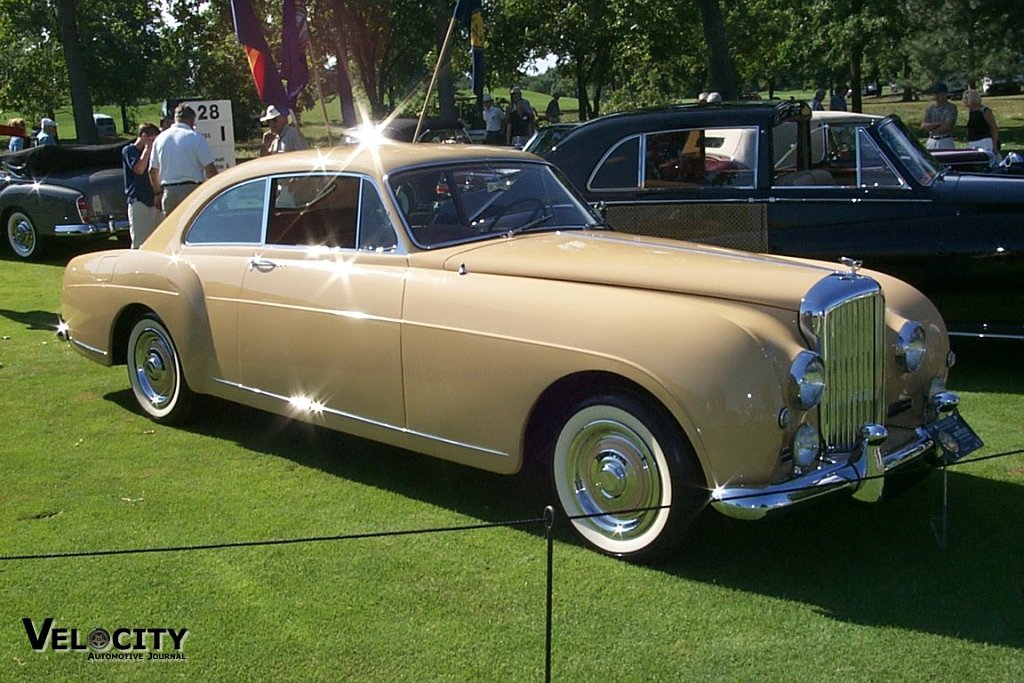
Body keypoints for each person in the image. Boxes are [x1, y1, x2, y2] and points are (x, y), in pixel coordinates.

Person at [149, 104, 218, 215]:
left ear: (175, 119)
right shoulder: (195, 137)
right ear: (191, 119)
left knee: (172, 229)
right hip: (192, 191)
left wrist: (157, 193)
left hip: (169, 191)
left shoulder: (160, 138)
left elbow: (152, 171)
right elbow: (210, 169)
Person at [122, 123, 162, 248]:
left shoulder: (155, 153)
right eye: (153, 139)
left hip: (155, 199)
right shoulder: (129, 151)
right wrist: (147, 149)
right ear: (144, 136)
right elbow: (139, 169)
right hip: (139, 200)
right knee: (140, 240)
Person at [962, 89, 999, 155]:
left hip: (984, 141)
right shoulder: (971, 112)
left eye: (966, 99)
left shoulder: (985, 111)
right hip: (973, 142)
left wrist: (994, 145)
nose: (964, 101)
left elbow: (994, 129)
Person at [921, 82, 957, 150]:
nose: (936, 96)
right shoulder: (930, 108)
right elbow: (923, 126)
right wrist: (939, 123)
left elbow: (947, 126)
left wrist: (931, 127)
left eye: (939, 93)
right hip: (931, 140)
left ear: (945, 94)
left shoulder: (951, 108)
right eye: (935, 93)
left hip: (945, 140)